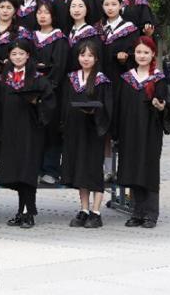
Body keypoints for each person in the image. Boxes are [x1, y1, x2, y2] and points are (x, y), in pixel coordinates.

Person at [0, 39, 57, 229]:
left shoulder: (38, 78)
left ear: (28, 55)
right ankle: (22, 211)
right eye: (14, 54)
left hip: (31, 132)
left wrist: (37, 102)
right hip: (10, 131)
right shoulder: (3, 79)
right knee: (16, 172)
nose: (17, 57)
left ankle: (28, 212)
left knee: (28, 171)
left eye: (21, 53)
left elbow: (49, 103)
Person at [115, 36, 170, 228]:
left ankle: (151, 214)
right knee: (133, 168)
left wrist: (161, 107)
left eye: (146, 52)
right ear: (134, 54)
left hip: (150, 133)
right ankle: (137, 212)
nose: (142, 56)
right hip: (129, 131)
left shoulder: (158, 79)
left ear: (153, 54)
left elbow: (166, 107)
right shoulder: (126, 79)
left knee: (148, 169)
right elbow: (119, 107)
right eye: (139, 52)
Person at [61, 40, 114, 229]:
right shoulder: (71, 78)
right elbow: (65, 105)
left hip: (94, 132)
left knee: (93, 170)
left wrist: (94, 113)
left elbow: (107, 108)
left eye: (90, 55)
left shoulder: (102, 80)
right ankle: (84, 209)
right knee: (80, 170)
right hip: (76, 131)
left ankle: (96, 212)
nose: (86, 59)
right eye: (83, 55)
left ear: (96, 58)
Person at [32, 1, 70, 186]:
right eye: (39, 12)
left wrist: (46, 87)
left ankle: (51, 169)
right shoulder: (31, 37)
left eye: (46, 12)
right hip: (33, 91)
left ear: (53, 16)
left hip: (53, 92)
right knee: (36, 130)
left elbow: (59, 66)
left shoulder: (59, 38)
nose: (42, 16)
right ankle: (36, 168)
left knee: (52, 130)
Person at [99, 0, 140, 83]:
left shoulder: (130, 29)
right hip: (100, 78)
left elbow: (135, 53)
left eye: (114, 4)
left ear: (121, 5)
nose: (110, 8)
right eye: (106, 5)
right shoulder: (97, 29)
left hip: (121, 78)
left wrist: (125, 59)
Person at [67, 0, 103, 74]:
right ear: (69, 10)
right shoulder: (67, 32)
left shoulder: (92, 35)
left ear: (87, 10)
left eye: (80, 6)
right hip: (68, 77)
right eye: (73, 6)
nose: (76, 10)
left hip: (86, 76)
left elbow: (97, 61)